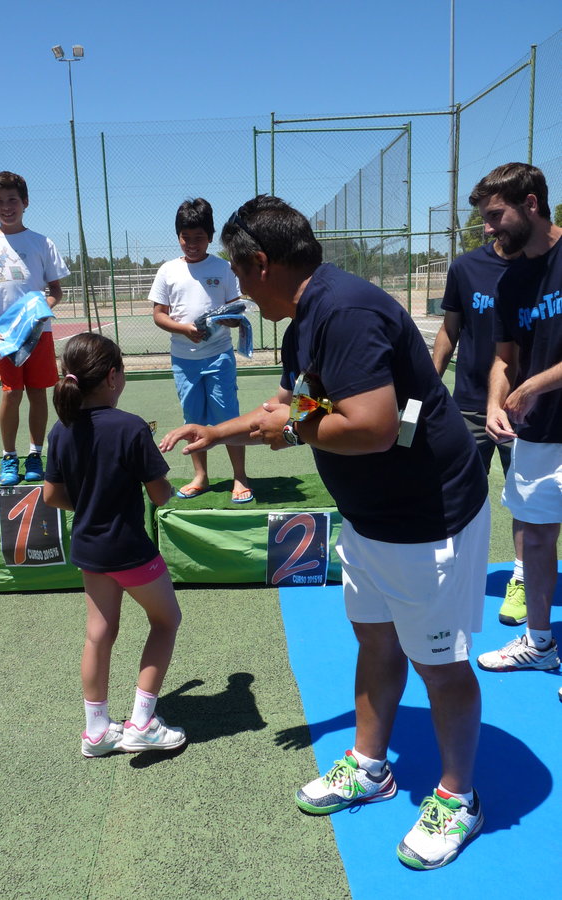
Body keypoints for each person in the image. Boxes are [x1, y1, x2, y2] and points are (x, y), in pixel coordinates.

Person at [160, 195, 490, 869]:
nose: (238, 290)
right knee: (375, 639)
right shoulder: (305, 317)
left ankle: (460, 797)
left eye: (238, 272)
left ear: (261, 262)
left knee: (439, 663)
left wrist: (293, 429)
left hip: (428, 518)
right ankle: (371, 766)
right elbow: (293, 403)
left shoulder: (344, 311)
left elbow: (371, 427)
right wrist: (218, 432)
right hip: (372, 519)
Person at [43, 332, 186, 755]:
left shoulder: (61, 430)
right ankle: (142, 722)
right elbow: (160, 494)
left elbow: (51, 495)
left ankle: (96, 732)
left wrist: (90, 504)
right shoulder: (130, 426)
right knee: (166, 621)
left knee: (99, 634)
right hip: (129, 549)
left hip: (90, 549)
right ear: (111, 376)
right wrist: (171, 490)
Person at [468, 163, 562, 692]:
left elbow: (528, 377)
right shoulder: (510, 281)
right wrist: (496, 405)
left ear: (531, 204)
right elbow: (504, 359)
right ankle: (540, 644)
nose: (488, 228)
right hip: (538, 435)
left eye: (495, 215)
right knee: (538, 539)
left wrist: (532, 387)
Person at [433, 239, 526, 625]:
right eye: (485, 215)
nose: (489, 225)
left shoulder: (544, 266)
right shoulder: (465, 267)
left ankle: (522, 579)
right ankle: (450, 574)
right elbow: (449, 330)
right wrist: (428, 383)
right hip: (470, 405)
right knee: (457, 493)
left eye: (496, 214)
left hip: (527, 409)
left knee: (527, 500)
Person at [0, 171, 69, 487]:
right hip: (4, 336)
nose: (6, 207)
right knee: (11, 393)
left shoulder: (42, 242)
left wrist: (40, 309)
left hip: (38, 334)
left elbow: (56, 290)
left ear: (25, 202)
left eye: (12, 200)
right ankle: (9, 456)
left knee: (38, 393)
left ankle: (35, 454)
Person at [150, 197, 253, 503]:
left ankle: (240, 476)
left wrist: (230, 320)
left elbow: (235, 308)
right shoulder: (168, 271)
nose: (192, 244)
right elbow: (159, 315)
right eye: (186, 237)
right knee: (193, 418)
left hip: (220, 356)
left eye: (199, 237)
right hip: (184, 361)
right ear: (178, 236)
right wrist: (184, 329)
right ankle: (201, 477)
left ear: (210, 236)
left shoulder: (223, 268)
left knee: (228, 417)